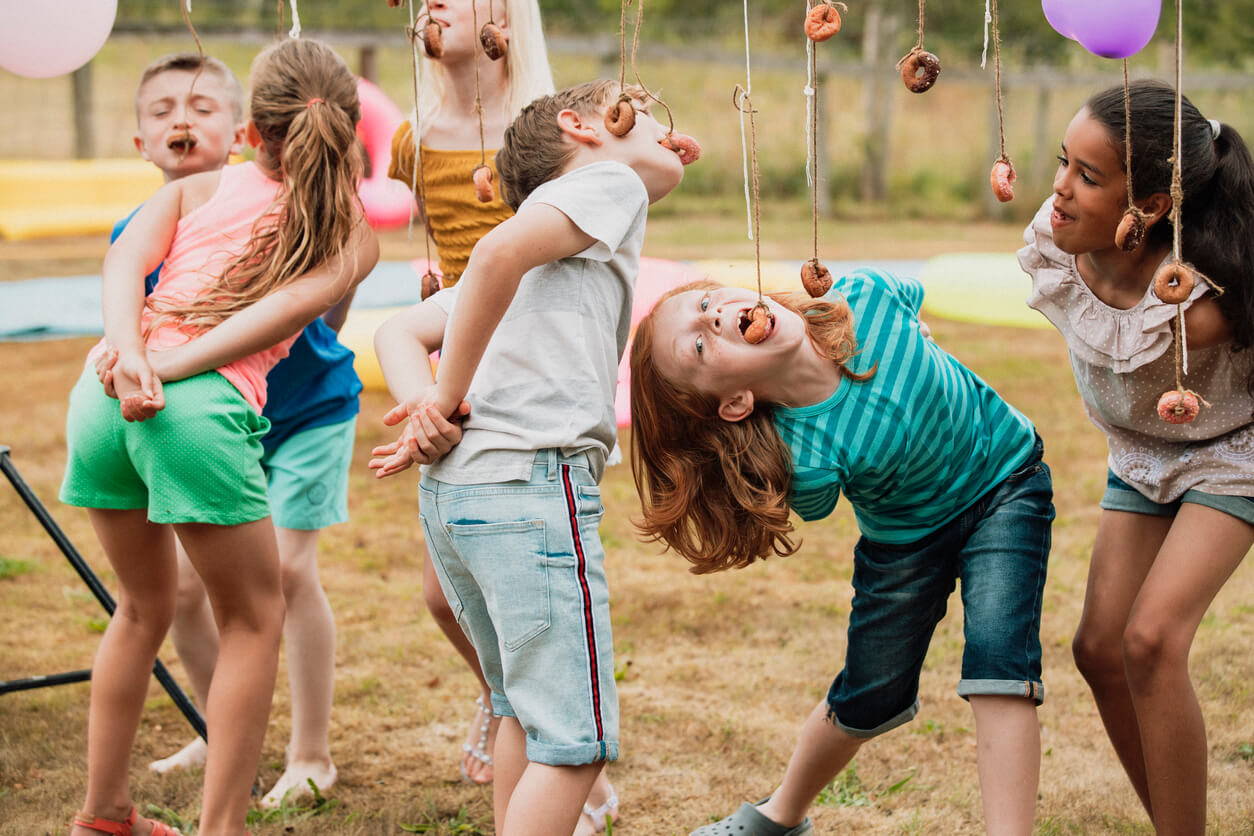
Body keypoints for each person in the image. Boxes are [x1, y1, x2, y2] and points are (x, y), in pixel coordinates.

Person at [60, 37, 378, 836]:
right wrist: (161, 366)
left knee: (139, 606)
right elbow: (263, 326)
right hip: (188, 413)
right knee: (252, 619)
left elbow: (123, 265)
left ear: (247, 133)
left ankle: (103, 813)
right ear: (346, 129)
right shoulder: (352, 237)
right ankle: (222, 830)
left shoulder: (196, 190)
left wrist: (132, 354)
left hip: (99, 395)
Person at [628, 270, 1055, 836]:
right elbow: (818, 497)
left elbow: (911, 298)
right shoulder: (801, 458)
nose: (712, 316)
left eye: (706, 302)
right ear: (734, 403)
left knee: (1001, 667)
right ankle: (780, 813)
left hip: (1006, 481)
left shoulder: (868, 298)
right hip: (903, 544)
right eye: (701, 344)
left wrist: (919, 340)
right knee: (869, 692)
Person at [369, 79, 686, 836]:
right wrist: (441, 401)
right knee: (575, 744)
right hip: (531, 486)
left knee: (519, 705)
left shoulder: (552, 235)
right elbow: (499, 247)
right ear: (580, 128)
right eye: (634, 108)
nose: (657, 122)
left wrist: (422, 407)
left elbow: (395, 334)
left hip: (457, 499)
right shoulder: (601, 187)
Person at [1018, 78, 1254, 833]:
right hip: (1142, 453)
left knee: (1151, 641)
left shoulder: (1200, 298)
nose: (1059, 189)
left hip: (1230, 452)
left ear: (1148, 207)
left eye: (1088, 177)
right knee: (1099, 647)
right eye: (1063, 163)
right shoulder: (1059, 246)